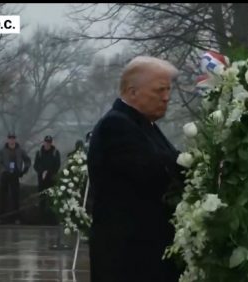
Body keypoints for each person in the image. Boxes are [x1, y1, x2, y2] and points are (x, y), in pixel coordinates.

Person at [87, 56, 184, 282]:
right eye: (159, 91)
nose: (166, 98)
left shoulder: (143, 125)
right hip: (129, 259)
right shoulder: (117, 125)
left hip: (144, 256)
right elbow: (156, 173)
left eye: (168, 90)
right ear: (133, 92)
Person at [0, 132, 31, 224]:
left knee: (15, 196)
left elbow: (27, 160)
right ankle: (1, 216)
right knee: (2, 196)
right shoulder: (2, 151)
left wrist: (24, 170)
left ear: (15, 139)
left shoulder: (20, 150)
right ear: (7, 139)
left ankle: (15, 217)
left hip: (15, 174)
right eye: (10, 138)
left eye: (13, 138)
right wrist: (3, 170)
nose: (12, 140)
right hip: (5, 175)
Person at [34, 135, 61, 223]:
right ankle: (42, 219)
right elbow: (36, 165)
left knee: (51, 200)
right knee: (42, 200)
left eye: (49, 142)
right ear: (44, 142)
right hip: (41, 180)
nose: (47, 144)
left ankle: (52, 220)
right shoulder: (39, 152)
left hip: (51, 180)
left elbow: (57, 165)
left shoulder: (55, 152)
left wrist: (48, 172)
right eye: (46, 142)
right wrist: (42, 172)